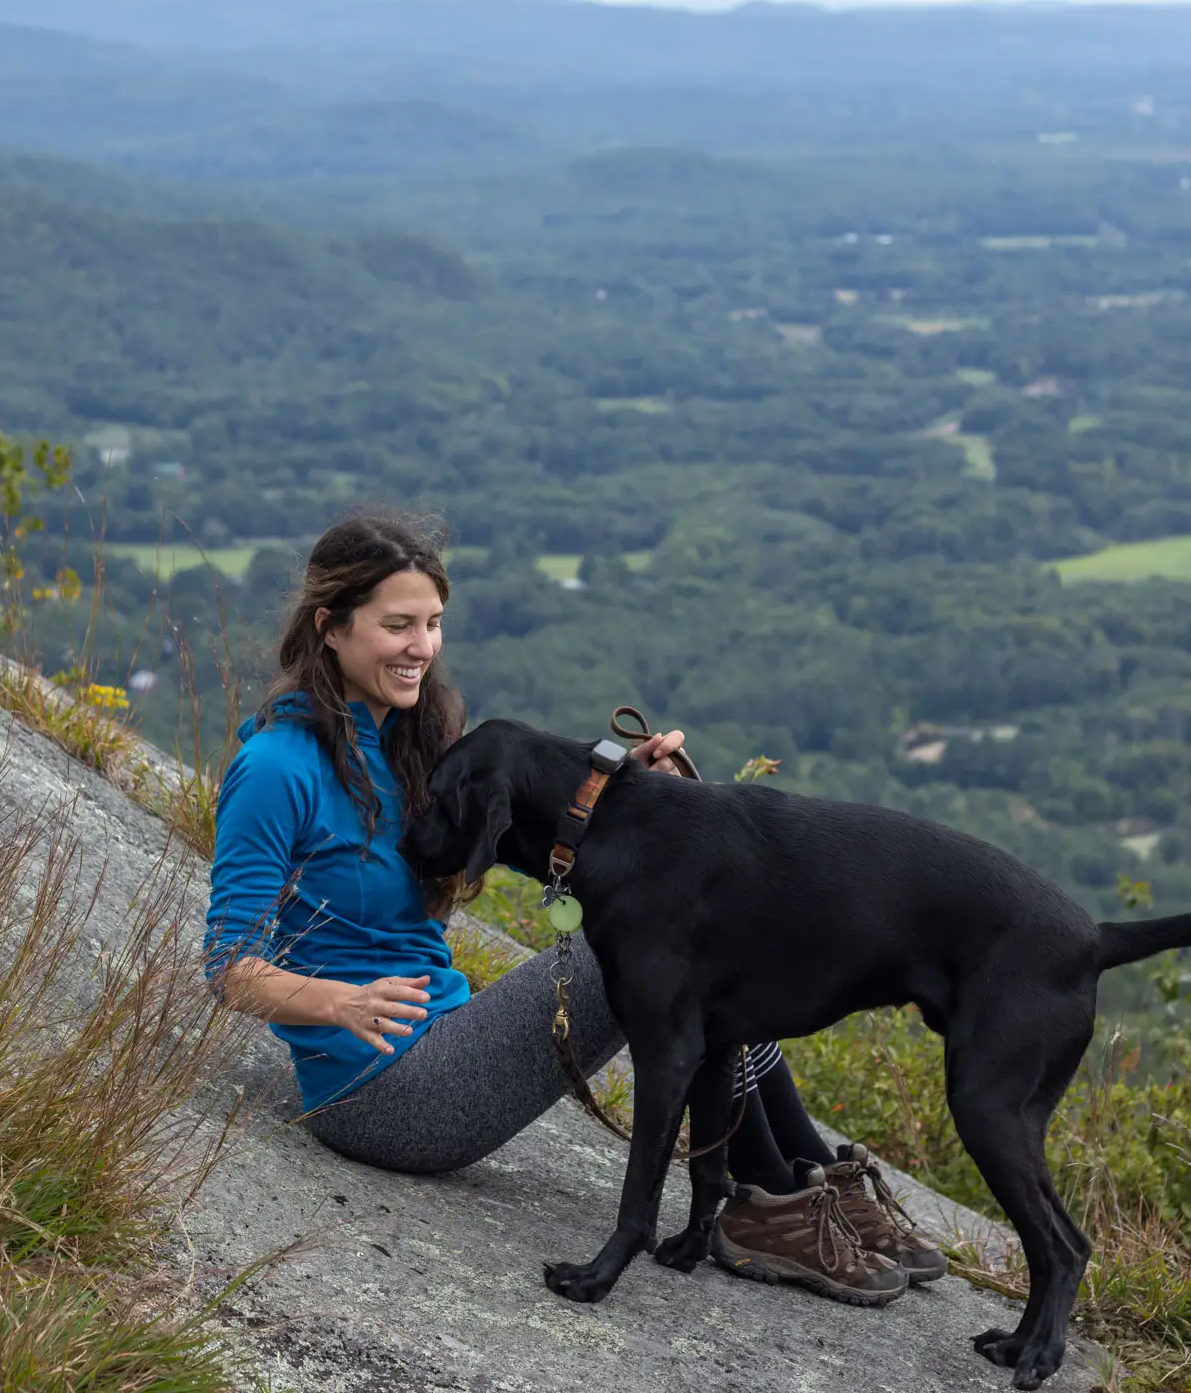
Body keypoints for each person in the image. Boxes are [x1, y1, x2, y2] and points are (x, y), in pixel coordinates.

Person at [205, 513, 943, 1303]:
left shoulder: (416, 735)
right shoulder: (278, 767)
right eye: (397, 625)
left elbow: (523, 837)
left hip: (448, 1034)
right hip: (381, 1093)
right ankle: (766, 1199)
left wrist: (640, 798)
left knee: (688, 923)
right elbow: (228, 967)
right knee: (666, 934)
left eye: (433, 623)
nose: (422, 646)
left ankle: (805, 1176)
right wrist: (337, 1001)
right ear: (330, 626)